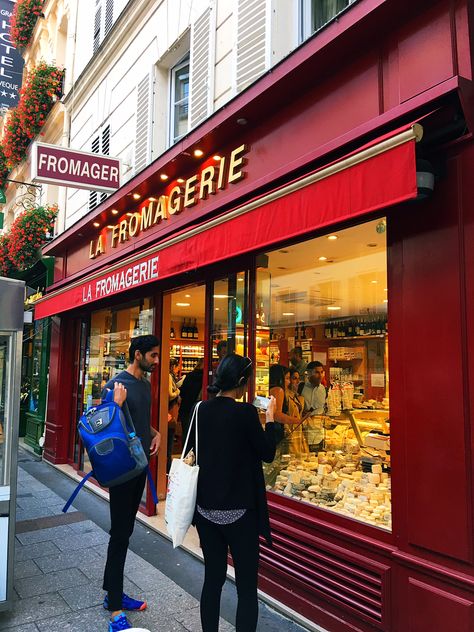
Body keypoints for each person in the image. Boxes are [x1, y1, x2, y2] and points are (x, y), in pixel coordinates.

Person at [190, 354, 276, 632]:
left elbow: (193, 451)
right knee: (246, 588)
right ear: (241, 382)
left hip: (206, 511)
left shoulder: (200, 409)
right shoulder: (246, 413)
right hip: (241, 513)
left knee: (212, 581)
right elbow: (268, 453)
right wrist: (271, 420)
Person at [102, 334, 161, 632]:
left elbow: (139, 420)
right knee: (119, 533)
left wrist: (155, 433)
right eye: (152, 355)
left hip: (140, 467)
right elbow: (105, 427)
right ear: (137, 355)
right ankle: (114, 608)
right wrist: (115, 405)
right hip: (122, 468)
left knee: (124, 531)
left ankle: (112, 590)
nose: (156, 360)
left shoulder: (145, 385)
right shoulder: (115, 386)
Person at [299, 360, 327, 451]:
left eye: (322, 372)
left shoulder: (323, 389)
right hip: (303, 435)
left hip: (319, 435)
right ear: (309, 373)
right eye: (317, 372)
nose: (320, 376)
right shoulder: (301, 388)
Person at [178, 358, 204, 441]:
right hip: (198, 409)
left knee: (186, 434)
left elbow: (182, 391)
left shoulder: (189, 376)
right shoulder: (206, 378)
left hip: (186, 409)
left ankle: (185, 452)